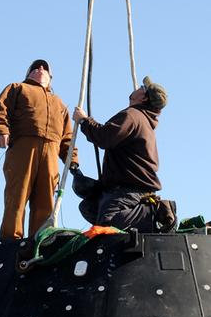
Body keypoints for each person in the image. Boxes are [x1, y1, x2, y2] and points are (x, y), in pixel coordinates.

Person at [72, 77, 174, 232]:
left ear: (143, 98)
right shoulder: (143, 120)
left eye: (142, 87)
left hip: (128, 191)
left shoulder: (132, 116)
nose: (138, 87)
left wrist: (84, 121)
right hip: (128, 191)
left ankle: (154, 215)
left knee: (107, 226)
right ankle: (140, 220)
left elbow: (105, 138)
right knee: (89, 207)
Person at [0, 60, 78, 241]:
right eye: (36, 67)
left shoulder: (60, 104)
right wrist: (1, 132)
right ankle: (11, 240)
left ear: (50, 78)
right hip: (23, 147)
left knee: (45, 201)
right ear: (28, 73)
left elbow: (67, 137)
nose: (41, 68)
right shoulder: (17, 88)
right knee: (17, 195)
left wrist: (73, 161)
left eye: (45, 68)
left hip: (52, 152)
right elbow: (0, 111)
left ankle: (41, 240)